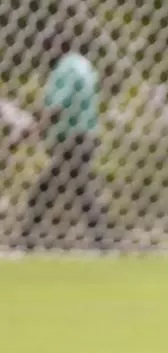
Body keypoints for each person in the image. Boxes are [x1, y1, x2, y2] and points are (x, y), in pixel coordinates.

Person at [14, 30, 104, 250]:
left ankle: (27, 240)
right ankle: (102, 241)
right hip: (88, 135)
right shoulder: (84, 65)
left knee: (48, 190)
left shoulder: (64, 69)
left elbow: (56, 106)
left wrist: (34, 130)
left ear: (57, 48)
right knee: (78, 189)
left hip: (71, 138)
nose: (46, 56)